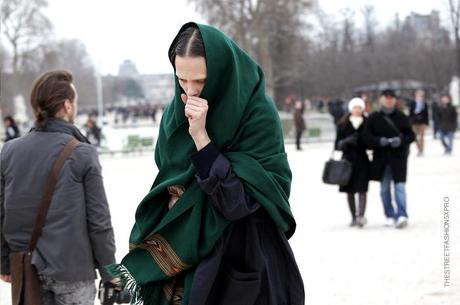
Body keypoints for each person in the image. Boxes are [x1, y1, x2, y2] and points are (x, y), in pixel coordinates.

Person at [107, 23, 304, 305]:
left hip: (242, 252)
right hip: (185, 257)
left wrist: (201, 138)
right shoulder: (174, 114)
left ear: (222, 73)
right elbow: (168, 179)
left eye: (200, 81)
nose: (191, 92)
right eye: (182, 80)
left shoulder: (257, 115)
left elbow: (237, 202)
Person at [0, 70, 117, 305]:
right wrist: (111, 274)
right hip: (73, 268)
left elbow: (2, 212)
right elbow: (99, 222)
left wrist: (4, 262)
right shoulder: (83, 153)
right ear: (67, 105)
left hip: (26, 265)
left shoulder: (10, 151)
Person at [363, 89, 415, 229]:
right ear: (381, 99)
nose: (389, 99)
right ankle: (390, 215)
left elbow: (410, 135)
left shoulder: (401, 116)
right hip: (381, 159)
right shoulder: (373, 118)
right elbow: (366, 137)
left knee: (400, 188)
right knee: (384, 190)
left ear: (395, 100)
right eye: (386, 97)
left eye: (391, 97)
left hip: (398, 158)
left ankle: (402, 215)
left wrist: (400, 140)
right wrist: (380, 141)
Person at [335, 98, 370, 227]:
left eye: (359, 107)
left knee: (362, 189)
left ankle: (361, 216)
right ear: (351, 109)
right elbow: (337, 145)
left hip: (362, 160)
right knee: (350, 190)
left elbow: (371, 141)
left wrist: (364, 141)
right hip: (347, 161)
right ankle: (353, 217)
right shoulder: (343, 124)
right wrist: (345, 142)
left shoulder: (367, 122)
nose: (357, 110)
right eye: (355, 107)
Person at [408, 89, 429, 156]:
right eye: (419, 94)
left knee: (422, 137)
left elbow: (426, 114)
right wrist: (409, 122)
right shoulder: (412, 103)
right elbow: (410, 113)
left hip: (422, 122)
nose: (420, 96)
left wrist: (426, 123)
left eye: (421, 94)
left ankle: (421, 150)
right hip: (414, 122)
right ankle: (419, 148)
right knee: (414, 136)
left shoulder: (424, 104)